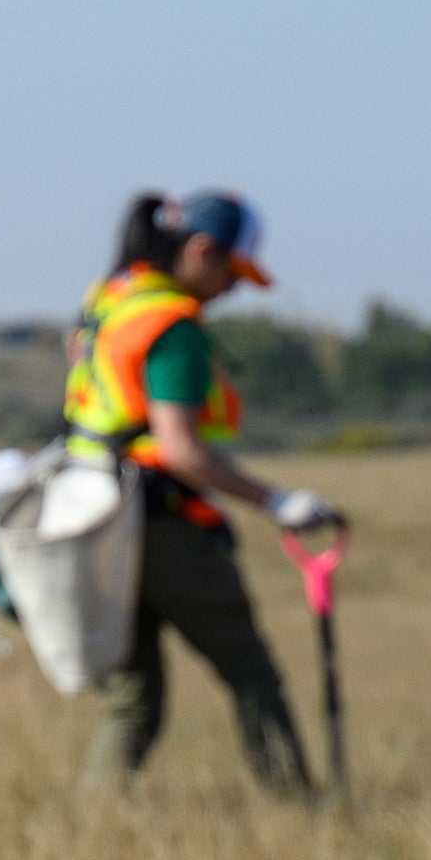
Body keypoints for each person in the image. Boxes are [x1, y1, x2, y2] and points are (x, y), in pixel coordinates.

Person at [62, 188, 337, 795]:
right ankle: (299, 812)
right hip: (159, 522)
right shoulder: (173, 326)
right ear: (201, 250)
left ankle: (90, 826)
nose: (233, 289)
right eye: (231, 272)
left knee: (133, 699)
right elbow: (180, 448)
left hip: (91, 524)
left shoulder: (111, 299)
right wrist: (275, 501)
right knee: (251, 673)